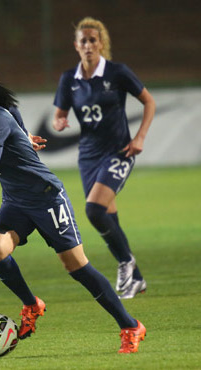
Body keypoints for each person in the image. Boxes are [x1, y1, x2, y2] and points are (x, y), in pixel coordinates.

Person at [0, 69, 146, 353]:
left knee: (77, 268)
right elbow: (13, 110)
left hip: (47, 199)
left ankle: (130, 326)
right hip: (16, 201)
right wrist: (24, 134)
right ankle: (32, 304)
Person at [52, 17, 156, 299]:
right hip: (88, 158)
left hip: (119, 152)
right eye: (83, 41)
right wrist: (60, 121)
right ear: (76, 46)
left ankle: (125, 263)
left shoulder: (117, 72)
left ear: (101, 44)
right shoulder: (68, 80)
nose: (88, 45)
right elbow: (59, 114)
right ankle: (136, 279)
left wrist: (140, 137)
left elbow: (149, 101)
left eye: (92, 40)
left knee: (95, 210)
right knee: (109, 218)